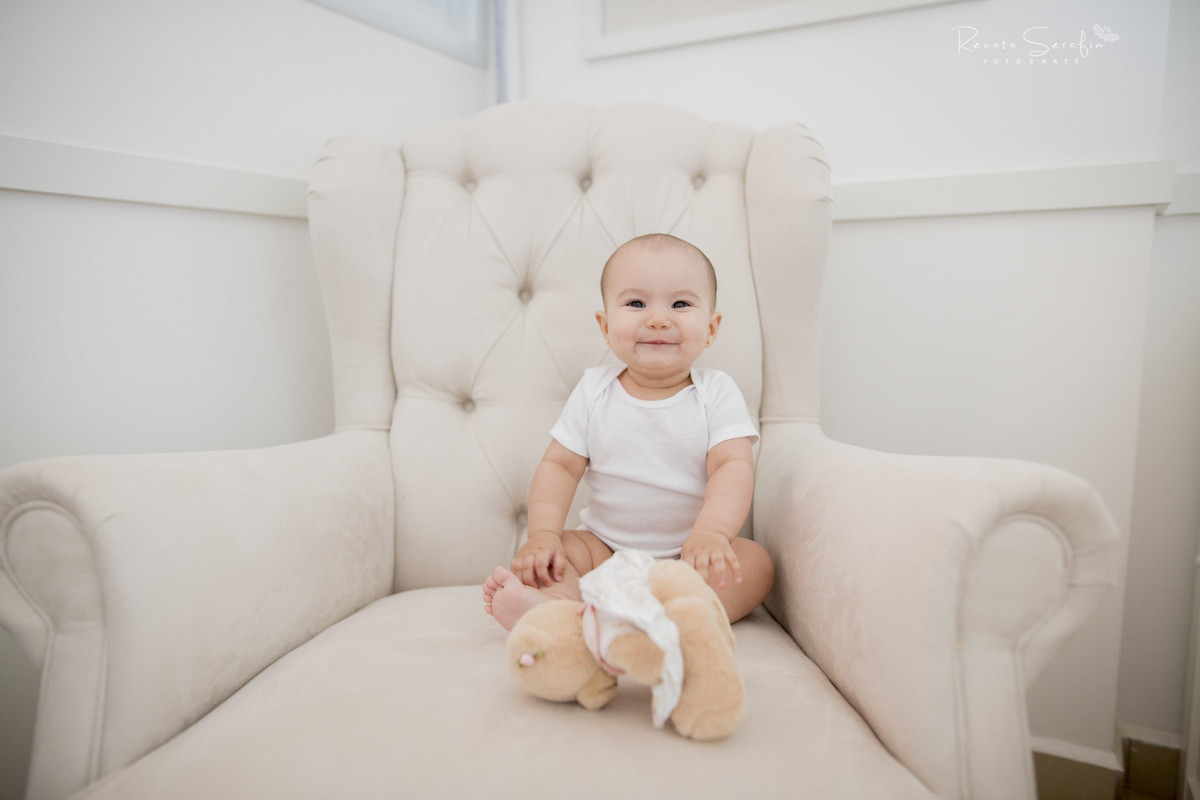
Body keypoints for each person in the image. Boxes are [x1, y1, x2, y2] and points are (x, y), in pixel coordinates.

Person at [483, 233, 775, 631]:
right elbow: (560, 467)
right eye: (636, 303)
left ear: (711, 327)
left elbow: (732, 467)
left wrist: (712, 533)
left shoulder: (716, 393)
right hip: (603, 550)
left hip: (687, 557)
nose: (657, 318)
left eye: (681, 304)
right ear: (605, 325)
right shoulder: (593, 390)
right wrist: (543, 536)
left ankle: (668, 617)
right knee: (557, 554)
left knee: (756, 564)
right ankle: (555, 608)